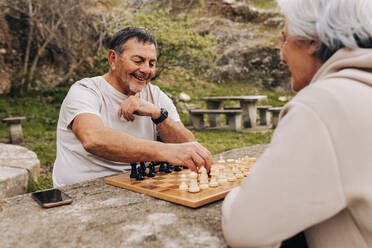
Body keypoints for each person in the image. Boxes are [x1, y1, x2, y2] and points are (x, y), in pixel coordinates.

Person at [222, 0, 372, 247]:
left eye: (285, 39)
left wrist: (236, 192)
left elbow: (246, 228)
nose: (282, 55)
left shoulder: (325, 102)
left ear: (313, 39)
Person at [53, 26, 213, 187]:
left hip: (139, 186)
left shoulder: (155, 95)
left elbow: (188, 145)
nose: (146, 70)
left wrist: (159, 115)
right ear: (113, 59)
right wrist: (165, 151)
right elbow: (93, 139)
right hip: (83, 191)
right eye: (138, 61)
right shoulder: (85, 90)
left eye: (151, 63)